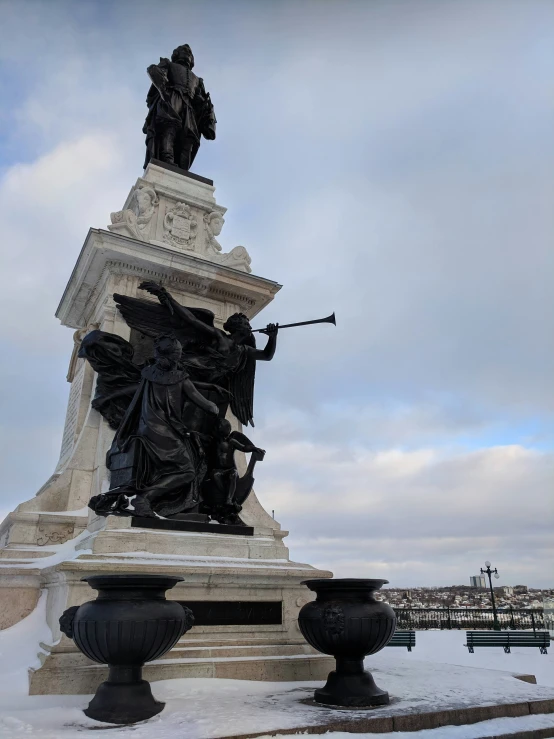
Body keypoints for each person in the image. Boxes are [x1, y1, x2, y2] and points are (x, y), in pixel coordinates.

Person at [89, 334, 223, 518]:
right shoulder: (180, 378)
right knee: (187, 471)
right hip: (165, 431)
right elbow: (200, 400)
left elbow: (135, 390)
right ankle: (144, 499)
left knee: (175, 465)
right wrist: (214, 407)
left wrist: (108, 397)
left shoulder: (149, 374)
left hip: (147, 428)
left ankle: (154, 501)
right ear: (175, 356)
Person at [143, 44, 216, 171]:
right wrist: (162, 89)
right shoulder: (168, 64)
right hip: (172, 98)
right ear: (176, 55)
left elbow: (202, 100)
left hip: (189, 108)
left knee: (190, 137)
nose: (187, 54)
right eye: (184, 51)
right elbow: (152, 70)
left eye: (189, 53)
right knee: (169, 128)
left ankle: (183, 169)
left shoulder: (198, 80)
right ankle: (167, 160)